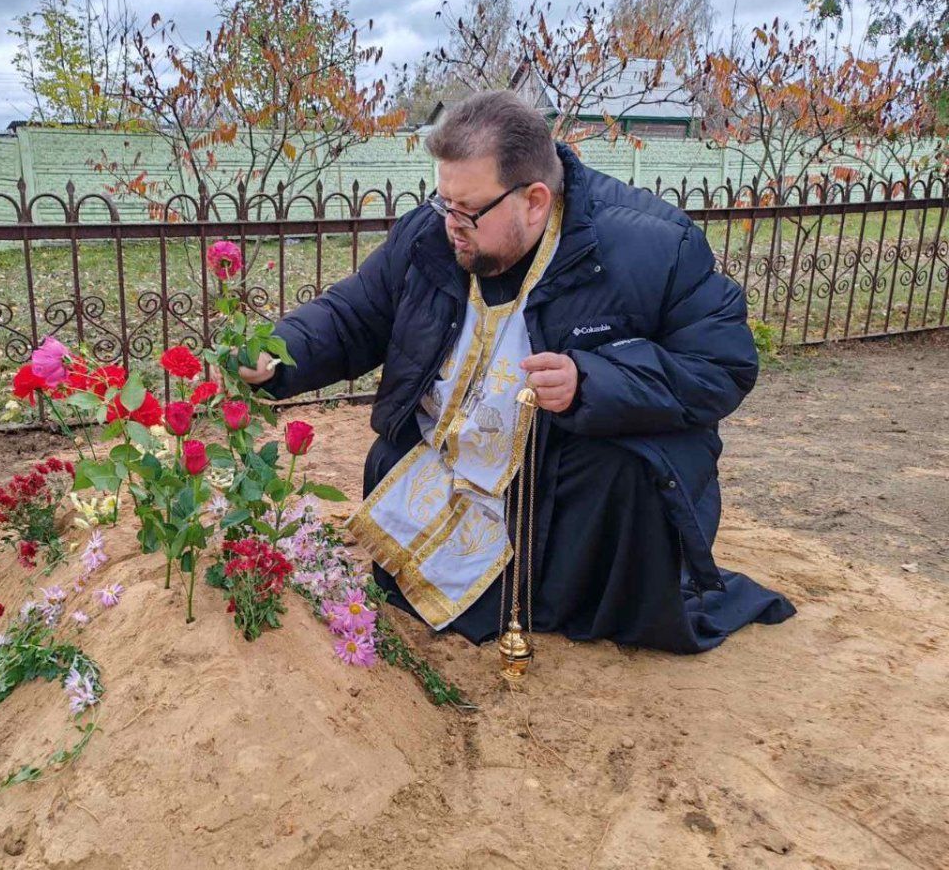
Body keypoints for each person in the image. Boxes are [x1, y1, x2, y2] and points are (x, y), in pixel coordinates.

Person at [240, 90, 794, 653]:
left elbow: (719, 367)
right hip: (447, 453)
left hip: (560, 469)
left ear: (534, 201)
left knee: (620, 470)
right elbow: (356, 313)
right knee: (398, 457)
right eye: (443, 202)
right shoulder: (434, 232)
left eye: (467, 211)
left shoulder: (655, 245)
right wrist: (279, 352)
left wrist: (590, 381)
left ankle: (562, 605)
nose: (451, 225)